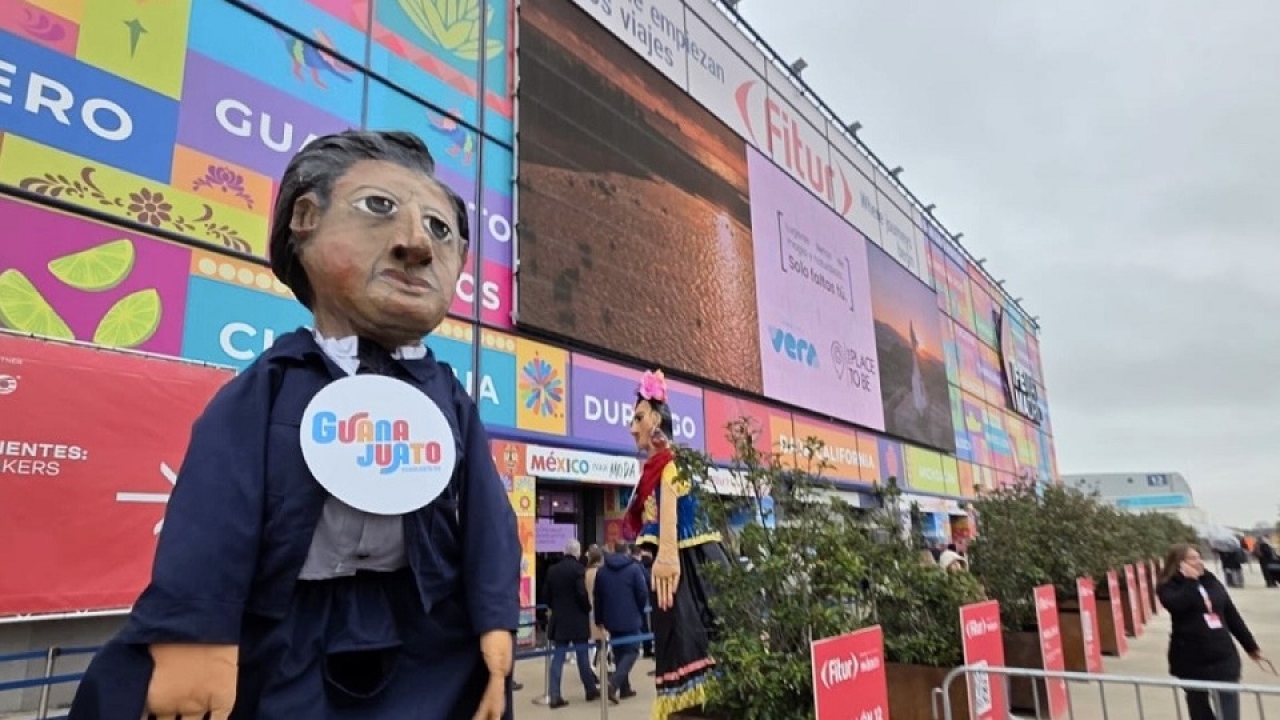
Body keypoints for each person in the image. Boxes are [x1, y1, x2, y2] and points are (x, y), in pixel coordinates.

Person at [67, 130, 521, 720]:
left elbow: (488, 518)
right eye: (378, 208)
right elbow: (215, 508)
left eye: (441, 230)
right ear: (305, 220)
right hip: (281, 626)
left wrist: (494, 619)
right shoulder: (277, 380)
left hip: (420, 625)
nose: (416, 245)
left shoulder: (449, 401)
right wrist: (197, 629)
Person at [623, 369, 731, 719]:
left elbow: (669, 514)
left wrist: (668, 556)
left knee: (688, 642)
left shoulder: (669, 466)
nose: (632, 427)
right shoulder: (660, 466)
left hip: (687, 572)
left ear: (656, 418)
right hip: (684, 572)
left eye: (638, 417)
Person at [1157, 543, 1269, 720]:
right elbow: (1177, 605)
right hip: (1190, 656)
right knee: (1199, 708)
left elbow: (1231, 615)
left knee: (1229, 707)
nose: (1198, 562)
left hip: (1222, 653)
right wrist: (1190, 581)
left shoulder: (1211, 581)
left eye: (1199, 557)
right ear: (1179, 563)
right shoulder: (1169, 586)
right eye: (1192, 559)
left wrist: (1251, 646)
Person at [594, 542, 651, 703]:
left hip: (611, 619)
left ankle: (625, 689)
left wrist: (600, 619)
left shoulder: (602, 571)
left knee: (619, 652)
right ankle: (614, 684)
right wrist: (640, 610)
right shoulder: (633, 569)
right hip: (631, 617)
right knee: (632, 651)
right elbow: (642, 592)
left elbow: (597, 597)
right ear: (626, 552)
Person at [544, 540, 598, 707]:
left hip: (559, 620)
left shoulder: (552, 570)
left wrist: (556, 608)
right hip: (577, 620)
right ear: (577, 552)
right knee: (582, 657)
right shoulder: (578, 570)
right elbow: (581, 593)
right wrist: (587, 608)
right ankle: (590, 689)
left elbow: (546, 596)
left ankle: (554, 694)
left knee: (558, 657)